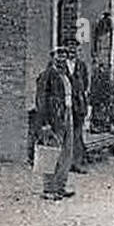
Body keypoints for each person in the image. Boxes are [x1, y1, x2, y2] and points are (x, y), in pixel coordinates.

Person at [36, 46, 77, 200]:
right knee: (50, 151)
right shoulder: (46, 76)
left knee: (66, 152)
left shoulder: (66, 75)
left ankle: (60, 186)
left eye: (64, 55)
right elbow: (41, 101)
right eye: (58, 55)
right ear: (52, 57)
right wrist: (45, 123)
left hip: (67, 114)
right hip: (53, 117)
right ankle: (48, 189)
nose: (62, 58)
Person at [66, 42, 90, 173]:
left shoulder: (81, 66)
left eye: (74, 49)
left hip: (78, 105)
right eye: (69, 49)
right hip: (65, 104)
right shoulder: (60, 65)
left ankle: (76, 163)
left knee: (77, 135)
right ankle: (65, 163)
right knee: (65, 135)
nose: (72, 51)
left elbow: (85, 84)